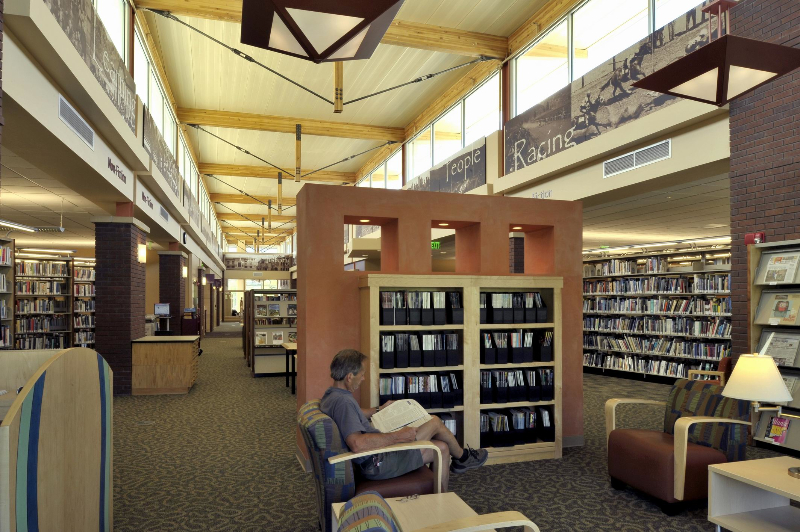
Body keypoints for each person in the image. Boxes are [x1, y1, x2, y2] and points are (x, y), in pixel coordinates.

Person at [320, 349, 488, 491]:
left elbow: (354, 414)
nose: (363, 379)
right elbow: (357, 444)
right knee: (435, 422)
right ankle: (462, 459)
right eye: (362, 375)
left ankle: (442, 492)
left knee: (442, 448)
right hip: (377, 462)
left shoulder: (332, 395)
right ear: (349, 377)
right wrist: (398, 436)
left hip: (375, 456)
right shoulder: (344, 402)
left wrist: (378, 410)